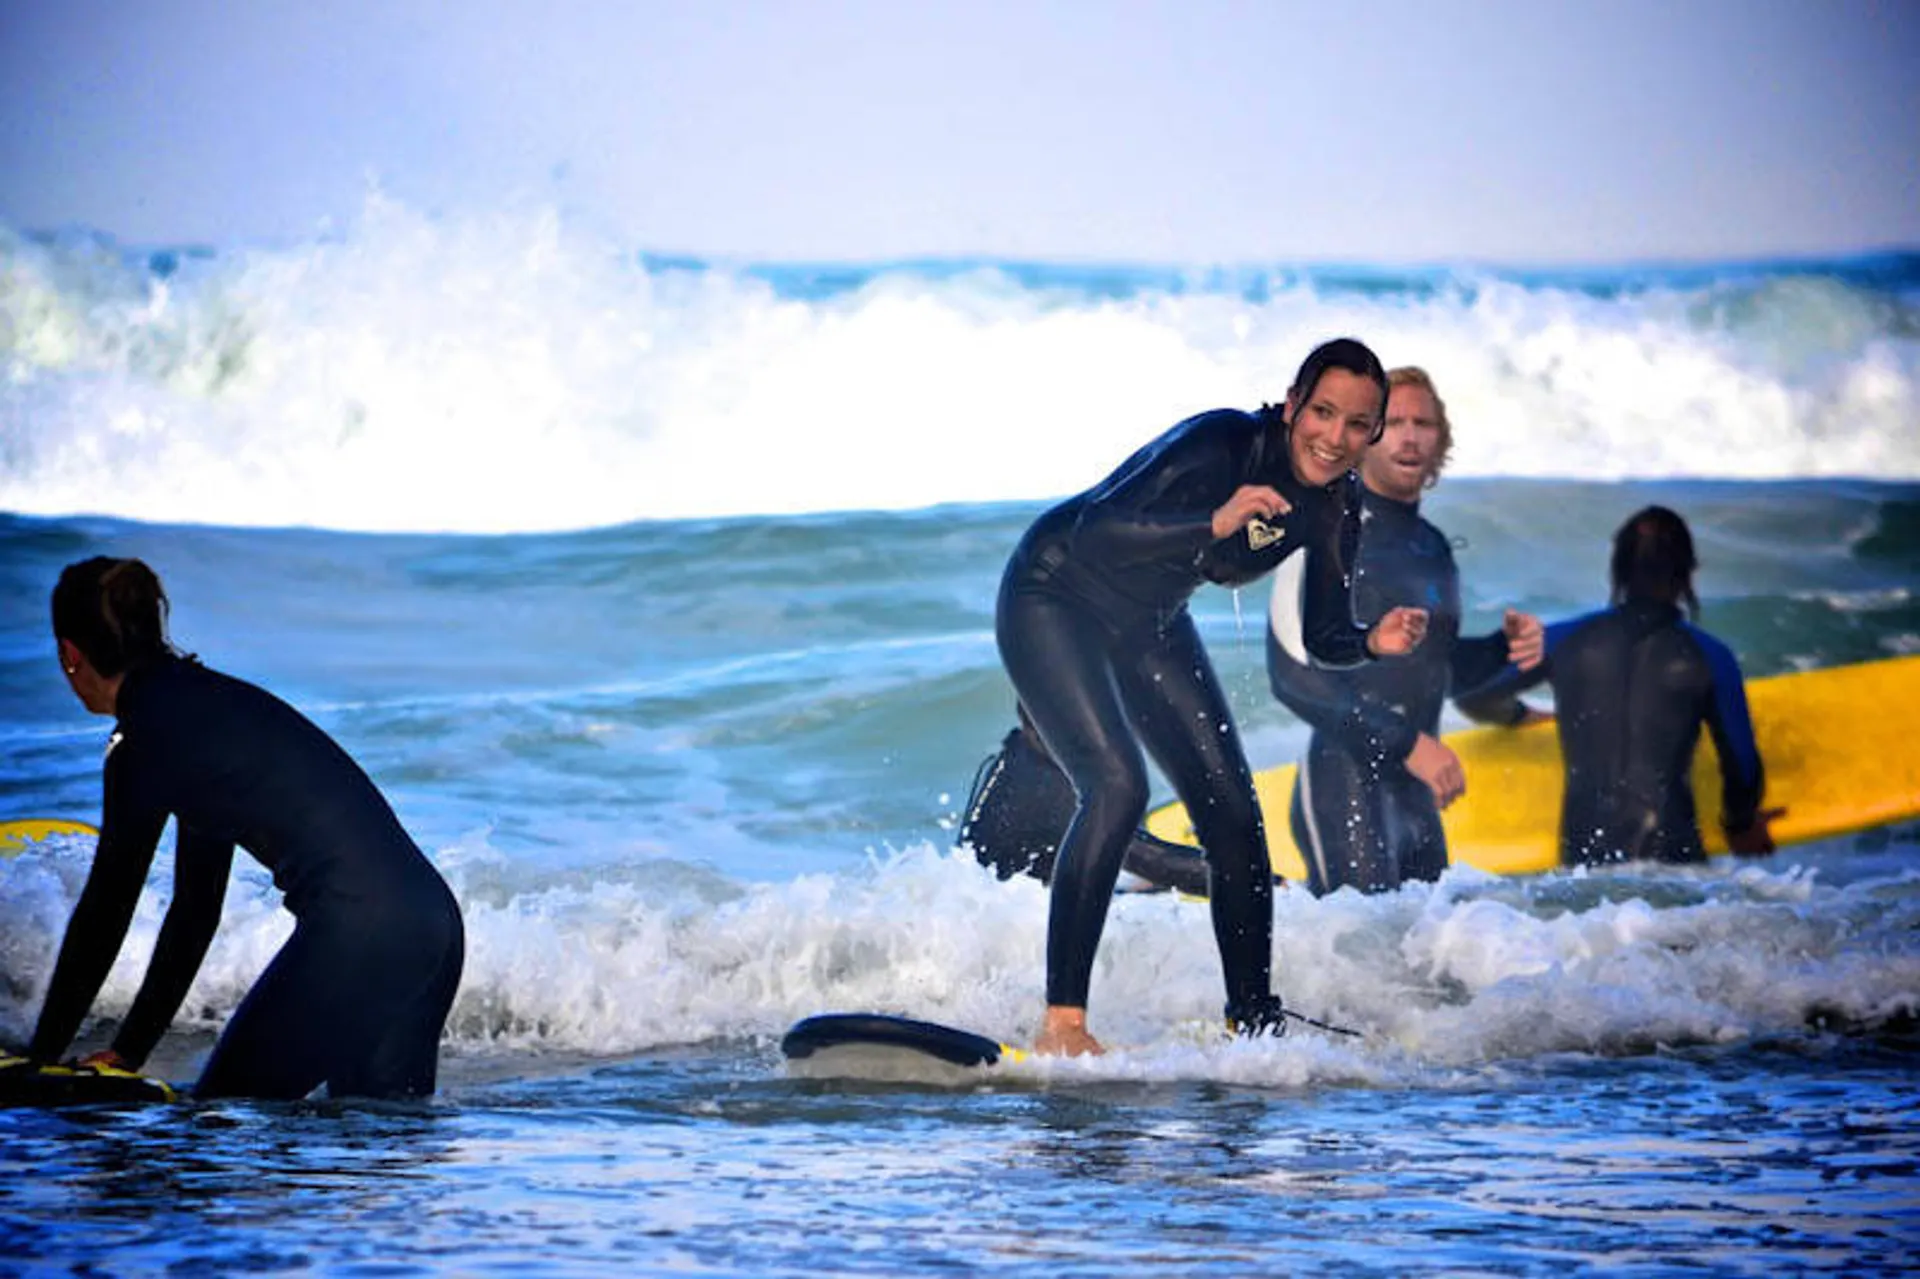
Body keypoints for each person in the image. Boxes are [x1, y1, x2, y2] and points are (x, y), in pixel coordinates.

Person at [995, 337, 1428, 1056]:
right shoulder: (1219, 442)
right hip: (1054, 593)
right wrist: (1213, 522)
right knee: (1116, 787)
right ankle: (1062, 1024)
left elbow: (1323, 634)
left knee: (1233, 818)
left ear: (1374, 431)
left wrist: (1370, 641)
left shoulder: (1335, 507)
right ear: (1292, 406)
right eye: (1323, 412)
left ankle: (1252, 1024)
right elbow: (1094, 527)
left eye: (1358, 424)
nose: (1335, 437)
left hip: (1150, 622)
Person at [21, 557, 465, 1099]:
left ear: (69, 654)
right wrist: (129, 1051)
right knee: (372, 1150)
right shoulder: (206, 705)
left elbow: (107, 909)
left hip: (362, 936)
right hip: (433, 924)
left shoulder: (144, 740)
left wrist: (37, 1062)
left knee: (215, 1125)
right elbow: (194, 908)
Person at [1268, 366, 1545, 894]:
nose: (1410, 436)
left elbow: (1435, 669)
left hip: (1415, 789)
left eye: (1423, 422)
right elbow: (1292, 678)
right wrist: (1406, 744)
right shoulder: (1323, 532)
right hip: (1346, 780)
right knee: (1362, 962)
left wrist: (1504, 650)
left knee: (1422, 965)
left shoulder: (1431, 547)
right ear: (1366, 435)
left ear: (1442, 440)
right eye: (1393, 422)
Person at [1455, 506, 1780, 864]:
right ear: (1688, 572)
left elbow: (1475, 698)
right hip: (1673, 857)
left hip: (1586, 867)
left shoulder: (1562, 641)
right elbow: (1742, 764)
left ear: (1618, 571)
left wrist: (1519, 716)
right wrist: (1740, 824)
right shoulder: (1709, 656)